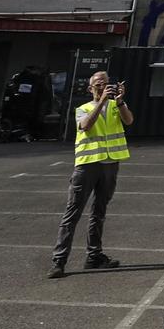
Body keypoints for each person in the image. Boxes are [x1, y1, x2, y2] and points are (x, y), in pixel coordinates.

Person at [48, 69, 133, 278]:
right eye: (98, 84)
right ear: (90, 88)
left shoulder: (116, 105)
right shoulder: (83, 108)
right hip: (87, 165)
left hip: (110, 163)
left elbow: (129, 121)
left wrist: (120, 101)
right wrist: (102, 100)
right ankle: (59, 261)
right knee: (73, 212)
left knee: (99, 211)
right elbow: (85, 126)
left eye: (106, 83)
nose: (103, 86)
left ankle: (94, 256)